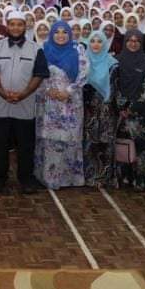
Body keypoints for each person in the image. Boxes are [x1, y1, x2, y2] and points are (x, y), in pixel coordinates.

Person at [0, 10, 44, 194]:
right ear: (7, 26)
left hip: (25, 105)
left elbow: (39, 75)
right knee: (0, 145)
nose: (15, 28)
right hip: (1, 104)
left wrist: (23, 94)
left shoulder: (35, 49)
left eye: (19, 24)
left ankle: (26, 178)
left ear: (25, 26)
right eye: (12, 24)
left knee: (25, 145)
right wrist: (2, 93)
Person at [35, 21, 89, 190]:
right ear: (51, 34)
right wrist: (47, 89)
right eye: (56, 32)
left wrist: (69, 91)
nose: (60, 35)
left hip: (71, 102)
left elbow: (84, 73)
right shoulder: (43, 49)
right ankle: (50, 178)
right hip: (49, 101)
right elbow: (37, 72)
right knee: (50, 140)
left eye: (64, 32)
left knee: (70, 139)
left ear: (69, 34)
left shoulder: (78, 49)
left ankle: (69, 178)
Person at [111, 29, 145, 190]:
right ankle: (124, 180)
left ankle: (142, 181)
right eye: (130, 40)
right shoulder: (116, 62)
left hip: (142, 114)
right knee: (124, 147)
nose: (133, 43)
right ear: (125, 42)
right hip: (122, 113)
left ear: (141, 43)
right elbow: (114, 86)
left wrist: (132, 108)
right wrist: (121, 107)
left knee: (143, 149)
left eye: (137, 41)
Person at [82, 30, 117, 187]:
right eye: (92, 41)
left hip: (106, 110)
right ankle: (89, 176)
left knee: (105, 143)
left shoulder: (112, 63)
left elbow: (115, 88)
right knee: (89, 143)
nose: (96, 44)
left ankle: (105, 177)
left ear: (105, 44)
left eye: (99, 41)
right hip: (88, 110)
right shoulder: (84, 62)